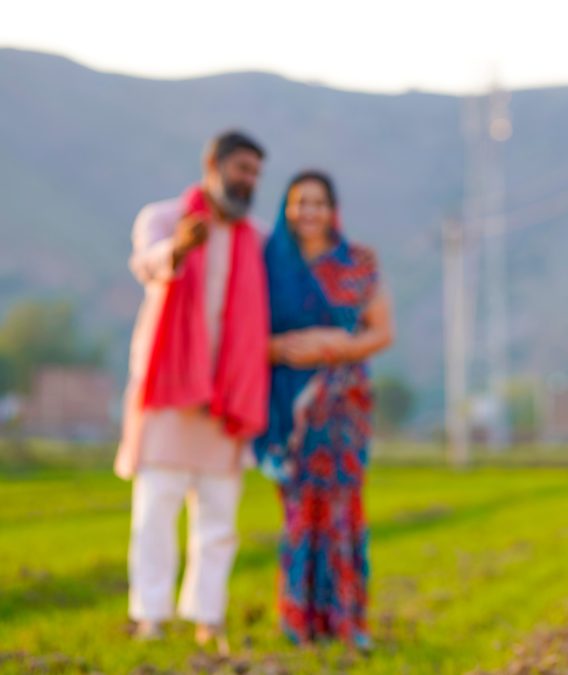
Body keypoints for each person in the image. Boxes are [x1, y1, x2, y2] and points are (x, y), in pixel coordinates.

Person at [116, 130, 270, 651]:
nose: (248, 181)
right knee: (155, 508)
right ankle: (150, 616)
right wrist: (180, 247)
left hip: (228, 396)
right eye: (242, 169)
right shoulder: (162, 218)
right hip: (167, 390)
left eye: (255, 174)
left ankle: (208, 616)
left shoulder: (259, 239)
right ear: (213, 164)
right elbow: (147, 263)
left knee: (219, 517)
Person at [255, 170, 394, 650]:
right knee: (299, 511)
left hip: (343, 406)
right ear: (286, 209)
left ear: (332, 209)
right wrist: (279, 349)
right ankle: (298, 620)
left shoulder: (357, 262)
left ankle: (348, 621)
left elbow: (381, 332)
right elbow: (244, 332)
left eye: (317, 202)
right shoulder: (268, 263)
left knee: (343, 511)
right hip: (289, 408)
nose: (308, 211)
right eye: (299, 202)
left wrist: (334, 346)